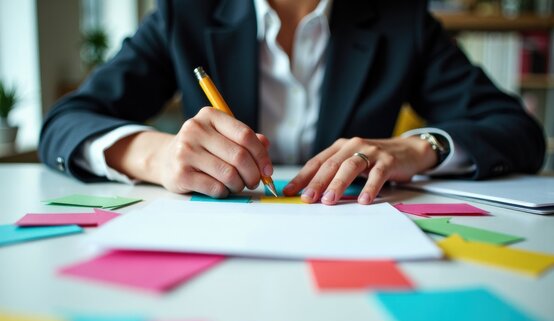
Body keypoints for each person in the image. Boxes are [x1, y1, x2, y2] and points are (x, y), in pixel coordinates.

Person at [39, 0, 546, 206]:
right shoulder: (185, 12)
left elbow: (516, 129)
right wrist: (157, 155)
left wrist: (418, 147)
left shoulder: (400, 18)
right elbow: (64, 123)